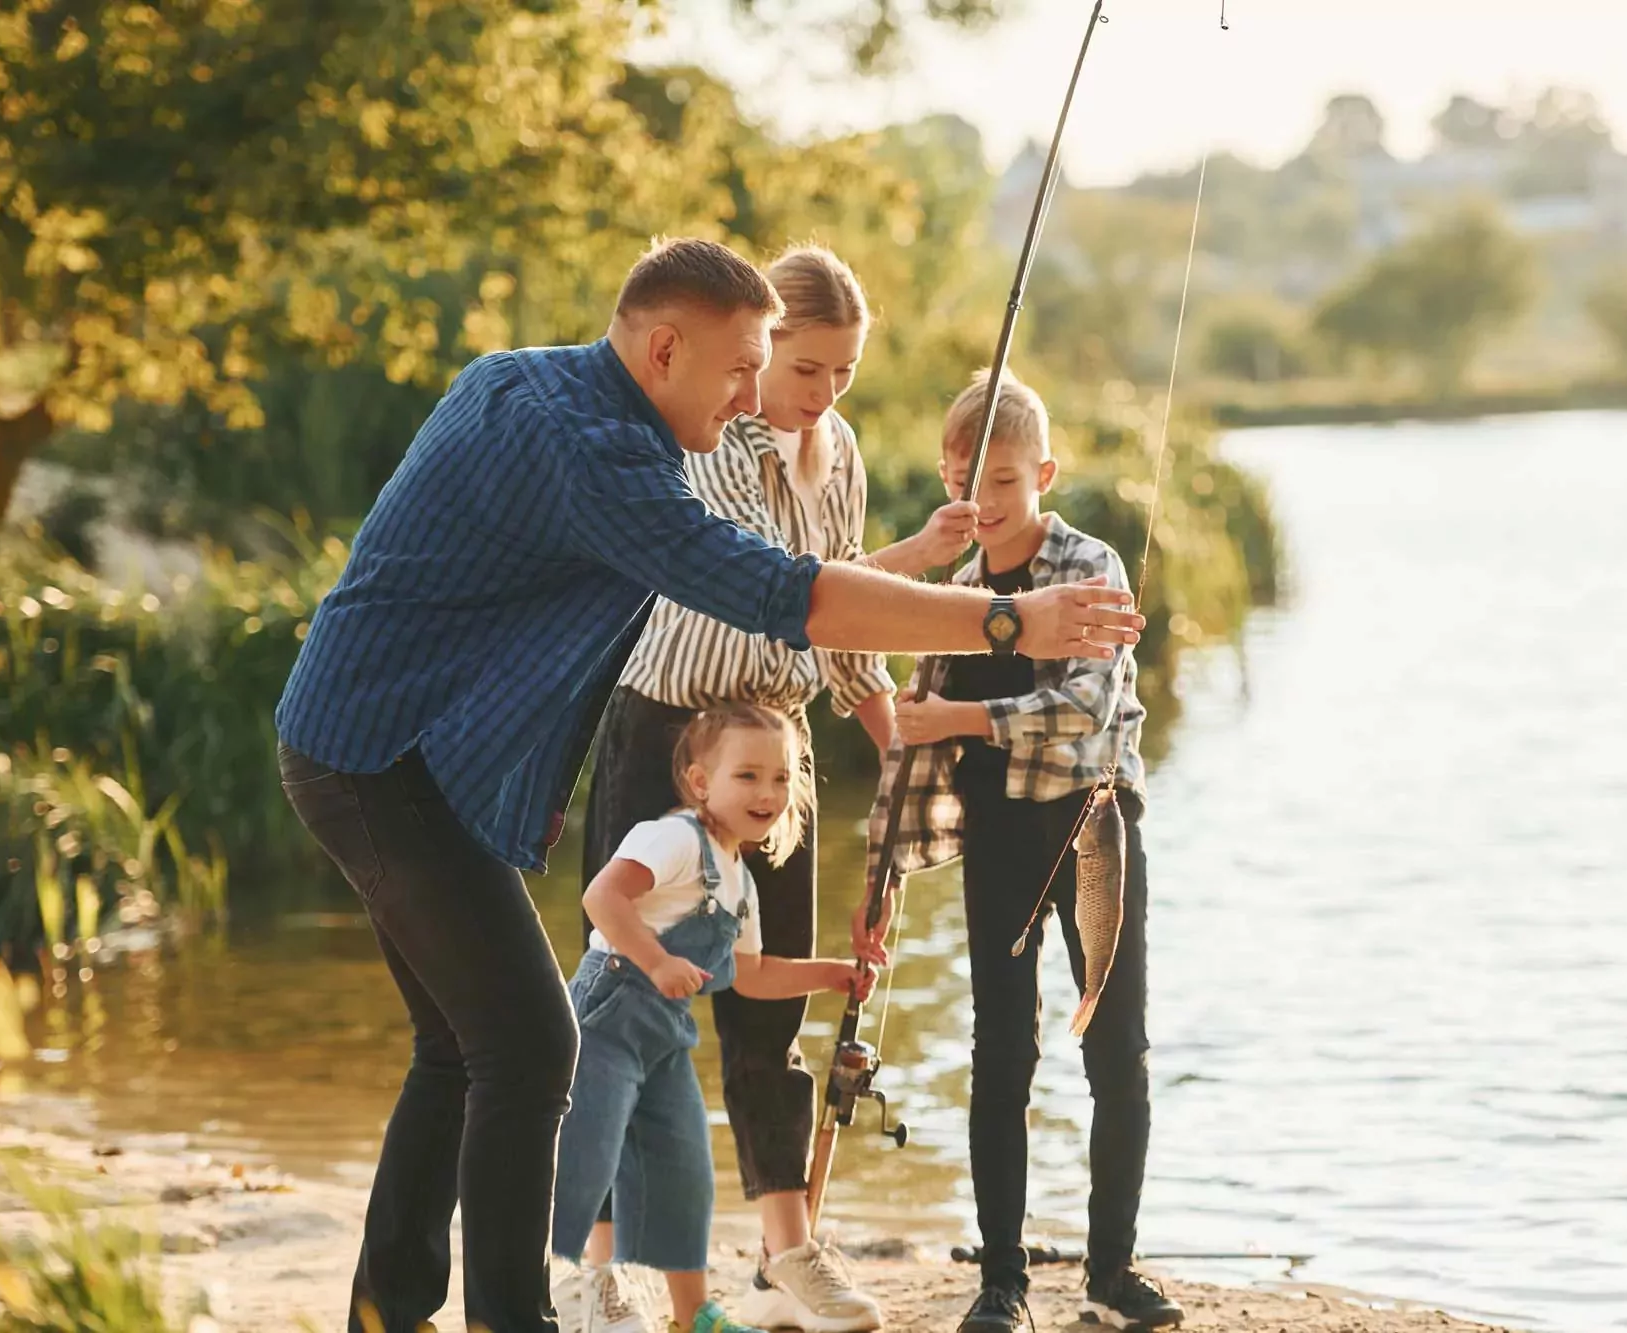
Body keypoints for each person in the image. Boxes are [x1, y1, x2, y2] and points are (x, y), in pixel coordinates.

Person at [273, 238, 1144, 1333]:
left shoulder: (525, 377)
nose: (753, 396)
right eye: (743, 368)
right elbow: (784, 594)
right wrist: (1007, 619)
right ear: (663, 347)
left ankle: (386, 1313)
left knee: (461, 1044)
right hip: (378, 758)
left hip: (402, 748)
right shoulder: (595, 454)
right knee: (532, 1043)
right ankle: (506, 1317)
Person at [576, 245, 970, 1333]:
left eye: (843, 375)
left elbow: (839, 620)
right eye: (806, 369)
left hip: (775, 741)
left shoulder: (834, 447)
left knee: (769, 1011)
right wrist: (906, 570)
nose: (820, 395)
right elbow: (768, 587)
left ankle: (789, 1253)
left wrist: (891, 737)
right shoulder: (711, 438)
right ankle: (599, 1272)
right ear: (763, 348)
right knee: (624, 1012)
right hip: (666, 733)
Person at [858, 370, 1184, 1332]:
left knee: (1116, 1049)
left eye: (1002, 479)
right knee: (1001, 1050)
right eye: (963, 479)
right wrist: (881, 866)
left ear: (1043, 471)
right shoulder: (954, 591)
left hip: (1092, 827)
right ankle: (1002, 1280)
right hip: (996, 831)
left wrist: (954, 715)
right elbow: (887, 703)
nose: (984, 500)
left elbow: (1082, 710)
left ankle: (1111, 1271)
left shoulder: (1093, 567)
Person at [554, 703, 881, 1333]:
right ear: (702, 782)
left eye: (782, 778)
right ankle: (587, 1290)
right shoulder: (673, 838)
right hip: (605, 1018)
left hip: (663, 1035)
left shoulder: (738, 880)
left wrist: (831, 972)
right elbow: (602, 896)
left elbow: (751, 975)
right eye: (748, 776)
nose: (769, 792)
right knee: (595, 1156)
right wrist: (653, 961)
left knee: (684, 1171)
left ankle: (692, 1314)